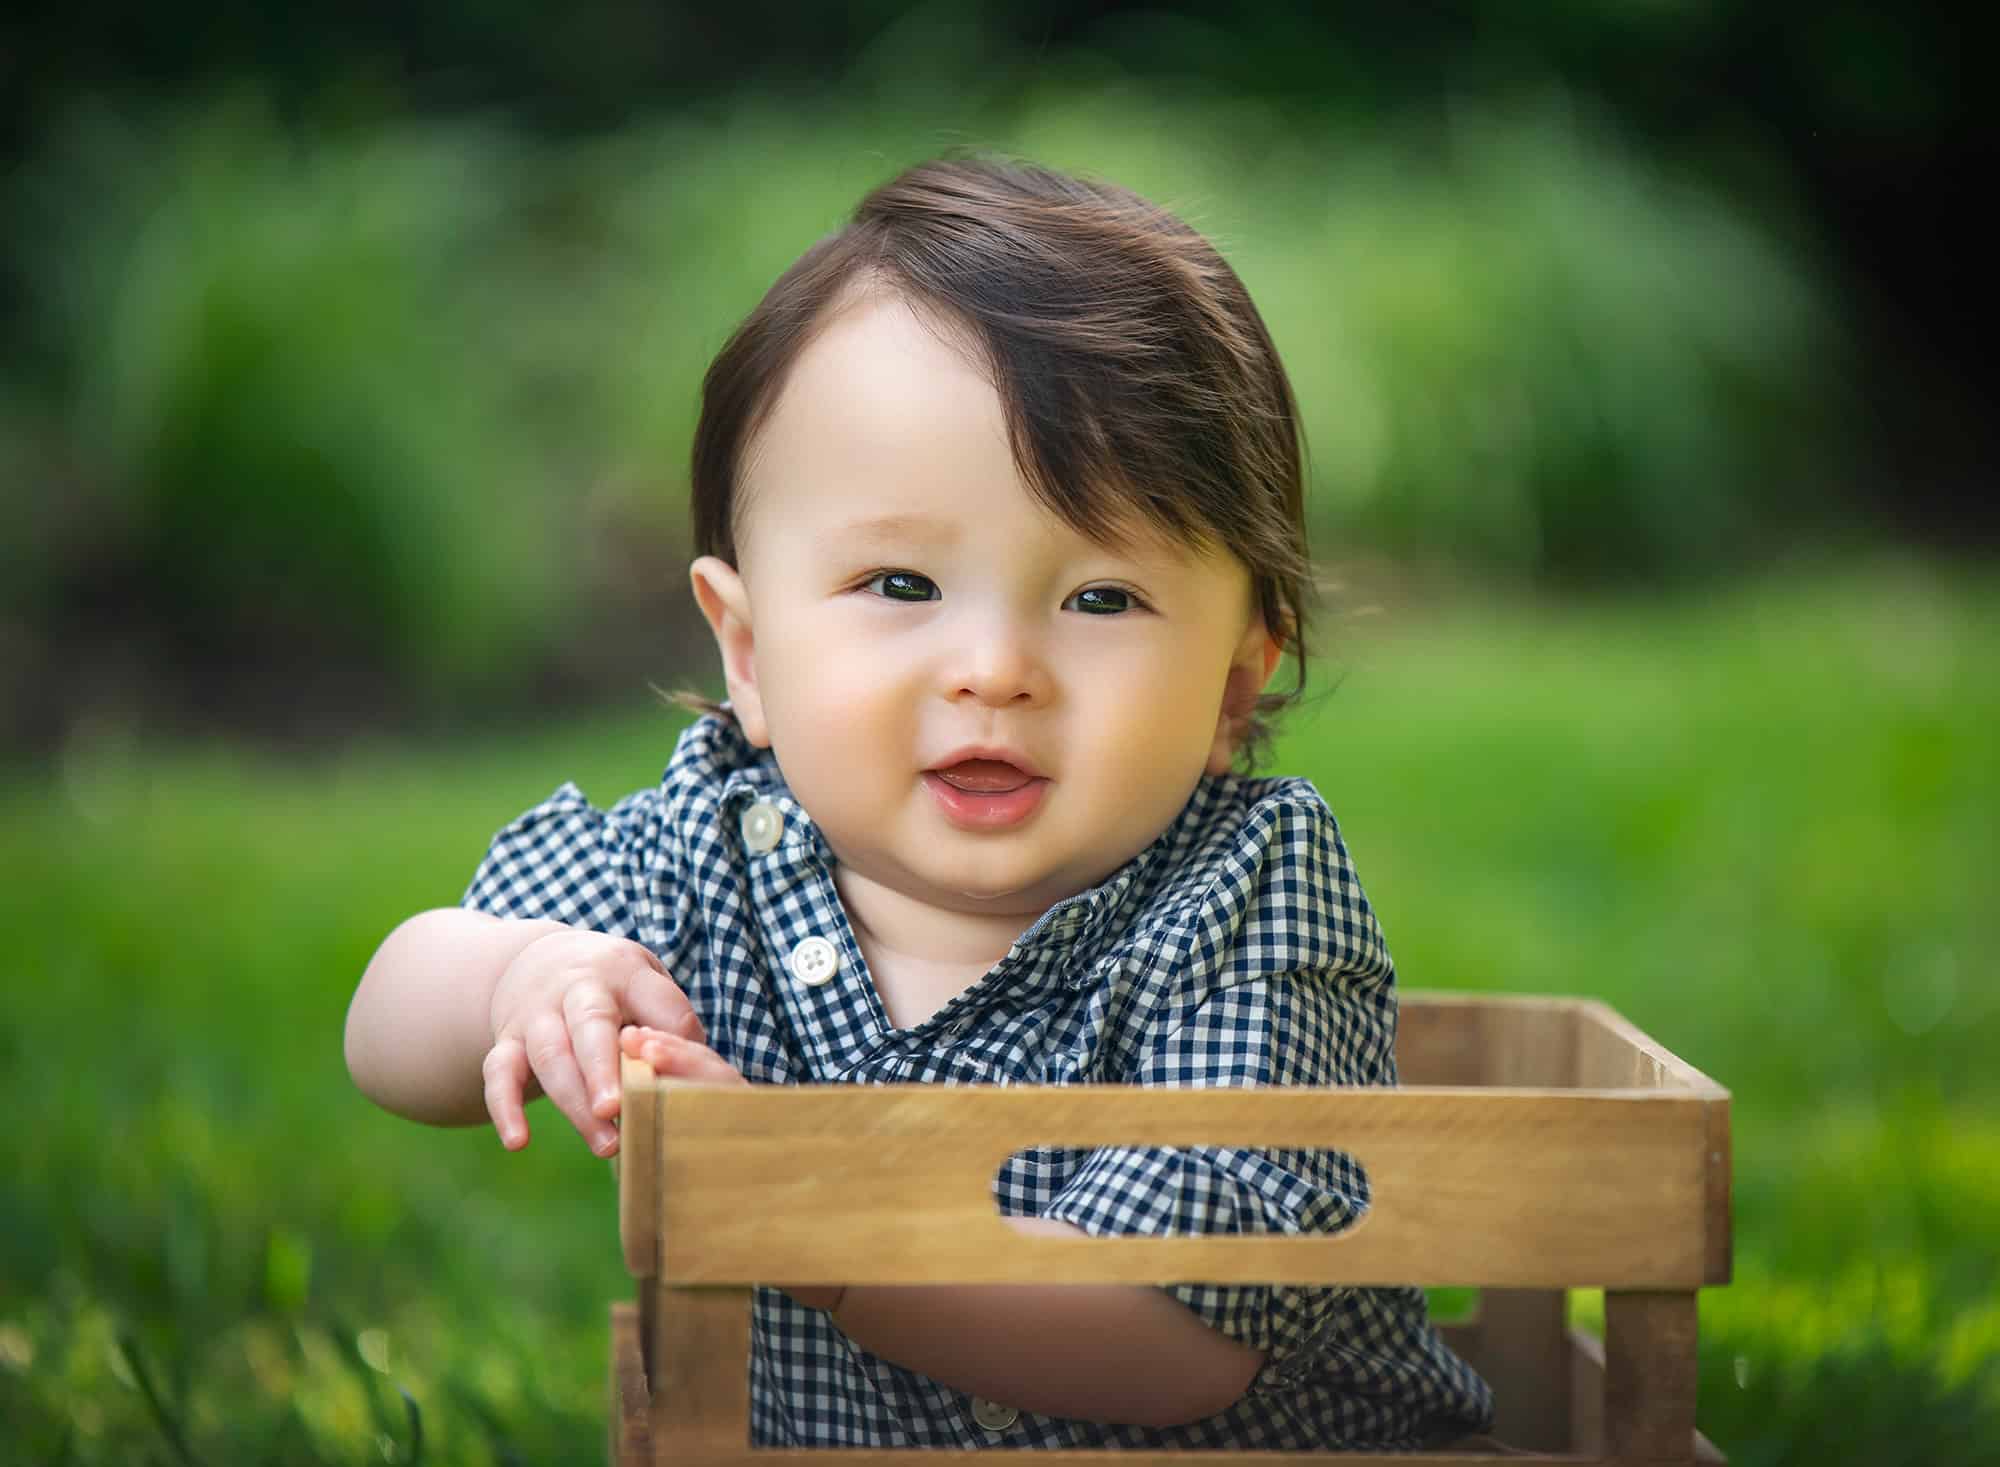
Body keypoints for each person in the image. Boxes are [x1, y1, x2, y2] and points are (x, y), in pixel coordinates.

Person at [344, 156, 1497, 1451]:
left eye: (1101, 598)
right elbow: (388, 1023)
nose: (993, 669)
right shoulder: (712, 855)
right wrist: (522, 980)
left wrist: (819, 1225)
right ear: (748, 649)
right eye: (900, 584)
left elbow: (1182, 1338)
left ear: (1236, 682)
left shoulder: (1244, 897)